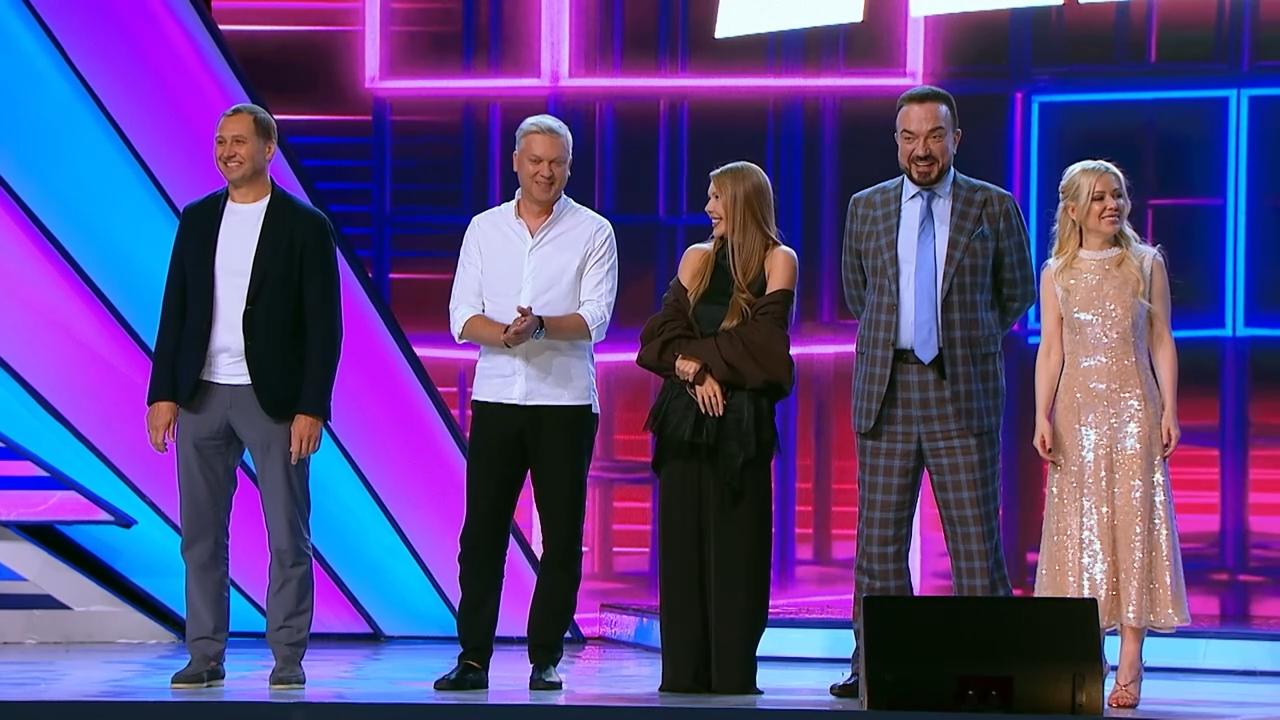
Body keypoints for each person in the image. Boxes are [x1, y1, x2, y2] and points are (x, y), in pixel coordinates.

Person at [831, 85, 1037, 699]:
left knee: (975, 545)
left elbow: (1017, 291)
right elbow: (858, 295)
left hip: (961, 390)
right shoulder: (866, 207)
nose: (922, 149)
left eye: (935, 135)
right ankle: (877, 666)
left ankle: (989, 670)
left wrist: (962, 338)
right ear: (896, 142)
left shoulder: (992, 206)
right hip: (886, 391)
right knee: (877, 549)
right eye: (910, 136)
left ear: (956, 139)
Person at [145, 103, 343, 690]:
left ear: (268, 149)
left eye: (238, 141)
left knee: (287, 535)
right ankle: (204, 654)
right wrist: (162, 393)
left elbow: (325, 326)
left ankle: (287, 657)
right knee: (200, 536)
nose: (227, 152)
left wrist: (312, 406)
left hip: (274, 399)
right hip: (200, 393)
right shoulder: (197, 218)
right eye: (220, 142)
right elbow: (175, 308)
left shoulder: (305, 225)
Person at [434, 114, 618, 693]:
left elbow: (595, 318)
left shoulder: (594, 231)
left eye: (556, 163)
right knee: (481, 535)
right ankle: (473, 658)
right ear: (516, 161)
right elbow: (461, 316)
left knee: (561, 537)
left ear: (569, 166)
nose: (545, 172)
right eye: (535, 161)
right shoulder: (484, 229)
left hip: (565, 403)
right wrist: (508, 336)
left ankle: (545, 657)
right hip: (497, 400)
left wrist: (538, 326)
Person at [1032, 159, 1189, 710]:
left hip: (1133, 411)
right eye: (1099, 197)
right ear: (1074, 209)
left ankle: (1131, 658)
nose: (1111, 205)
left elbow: (1162, 339)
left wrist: (1169, 409)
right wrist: (1042, 415)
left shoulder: (1145, 263)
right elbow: (1051, 349)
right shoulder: (1056, 272)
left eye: (1117, 195)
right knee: (1084, 532)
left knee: (1133, 527)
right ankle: (1087, 652)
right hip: (1077, 416)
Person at [636, 161, 798, 695]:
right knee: (683, 551)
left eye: (717, 197)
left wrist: (694, 359)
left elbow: (765, 349)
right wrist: (693, 371)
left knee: (738, 553)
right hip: (683, 424)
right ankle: (684, 675)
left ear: (744, 202)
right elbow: (657, 339)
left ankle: (732, 675)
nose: (708, 208)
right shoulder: (697, 258)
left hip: (741, 430)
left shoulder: (778, 260)